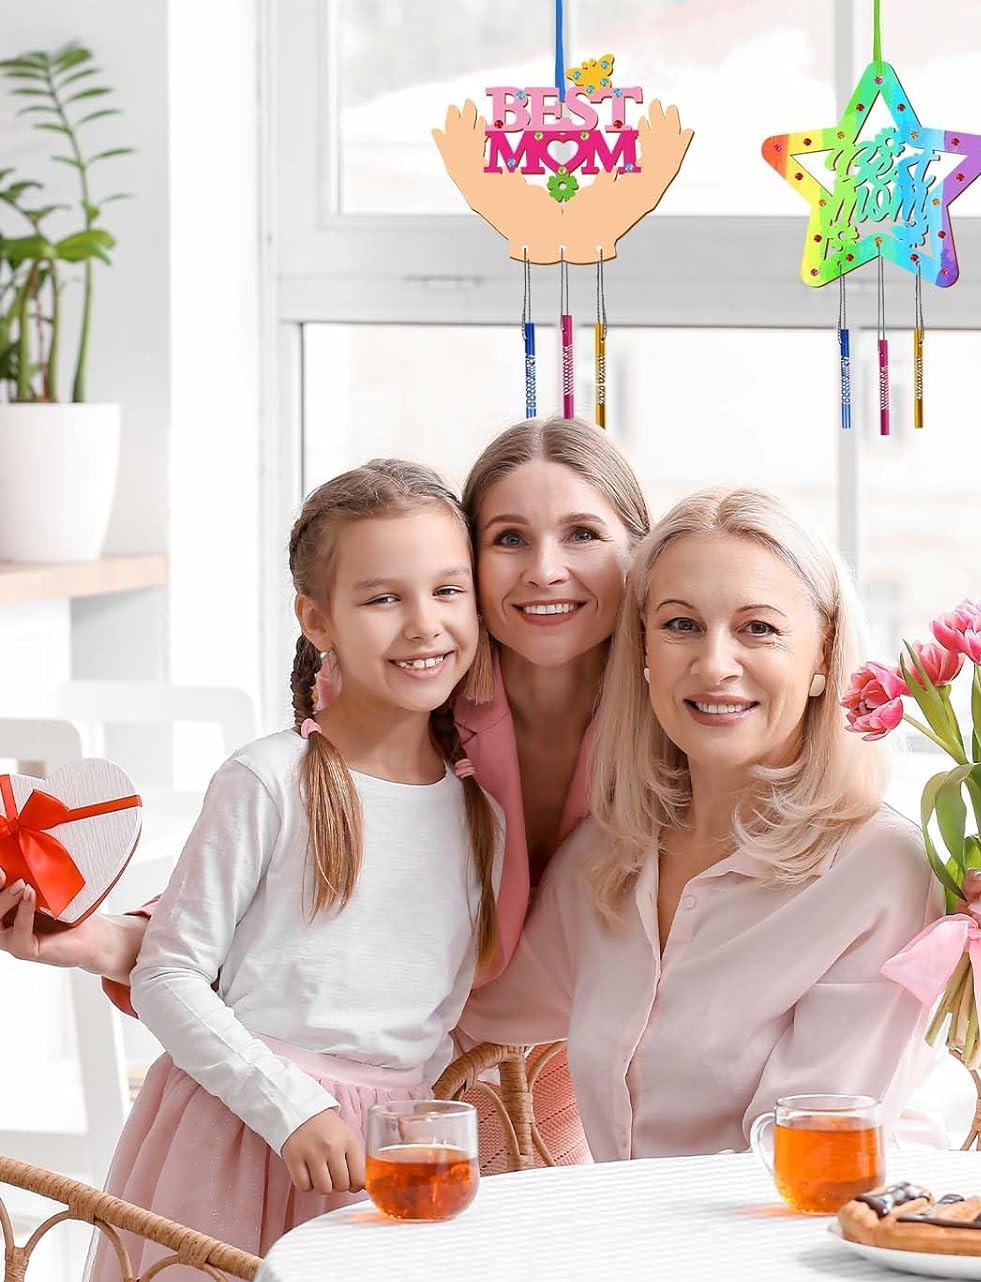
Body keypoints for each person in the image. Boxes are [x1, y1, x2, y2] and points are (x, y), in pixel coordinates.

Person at [1, 418, 653, 1167]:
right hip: (364, 1089)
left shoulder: (671, 715)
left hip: (540, 1071)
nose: (544, 569)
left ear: (638, 551)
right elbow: (300, 883)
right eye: (508, 539)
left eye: (583, 534)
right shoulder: (410, 688)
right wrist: (111, 940)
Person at [460, 487, 981, 1158]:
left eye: (758, 628)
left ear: (822, 654)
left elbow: (802, 1157)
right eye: (680, 625)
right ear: (642, 649)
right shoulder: (607, 858)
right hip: (630, 1250)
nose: (715, 664)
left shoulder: (881, 873)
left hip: (793, 1251)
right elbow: (474, 1016)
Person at [73, 458, 503, 1282]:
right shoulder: (266, 781)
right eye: (382, 598)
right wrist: (290, 1108)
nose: (426, 624)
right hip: (236, 1142)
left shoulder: (485, 814)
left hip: (383, 1163)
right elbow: (170, 977)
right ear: (318, 621)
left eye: (448, 590)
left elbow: (440, 1019)